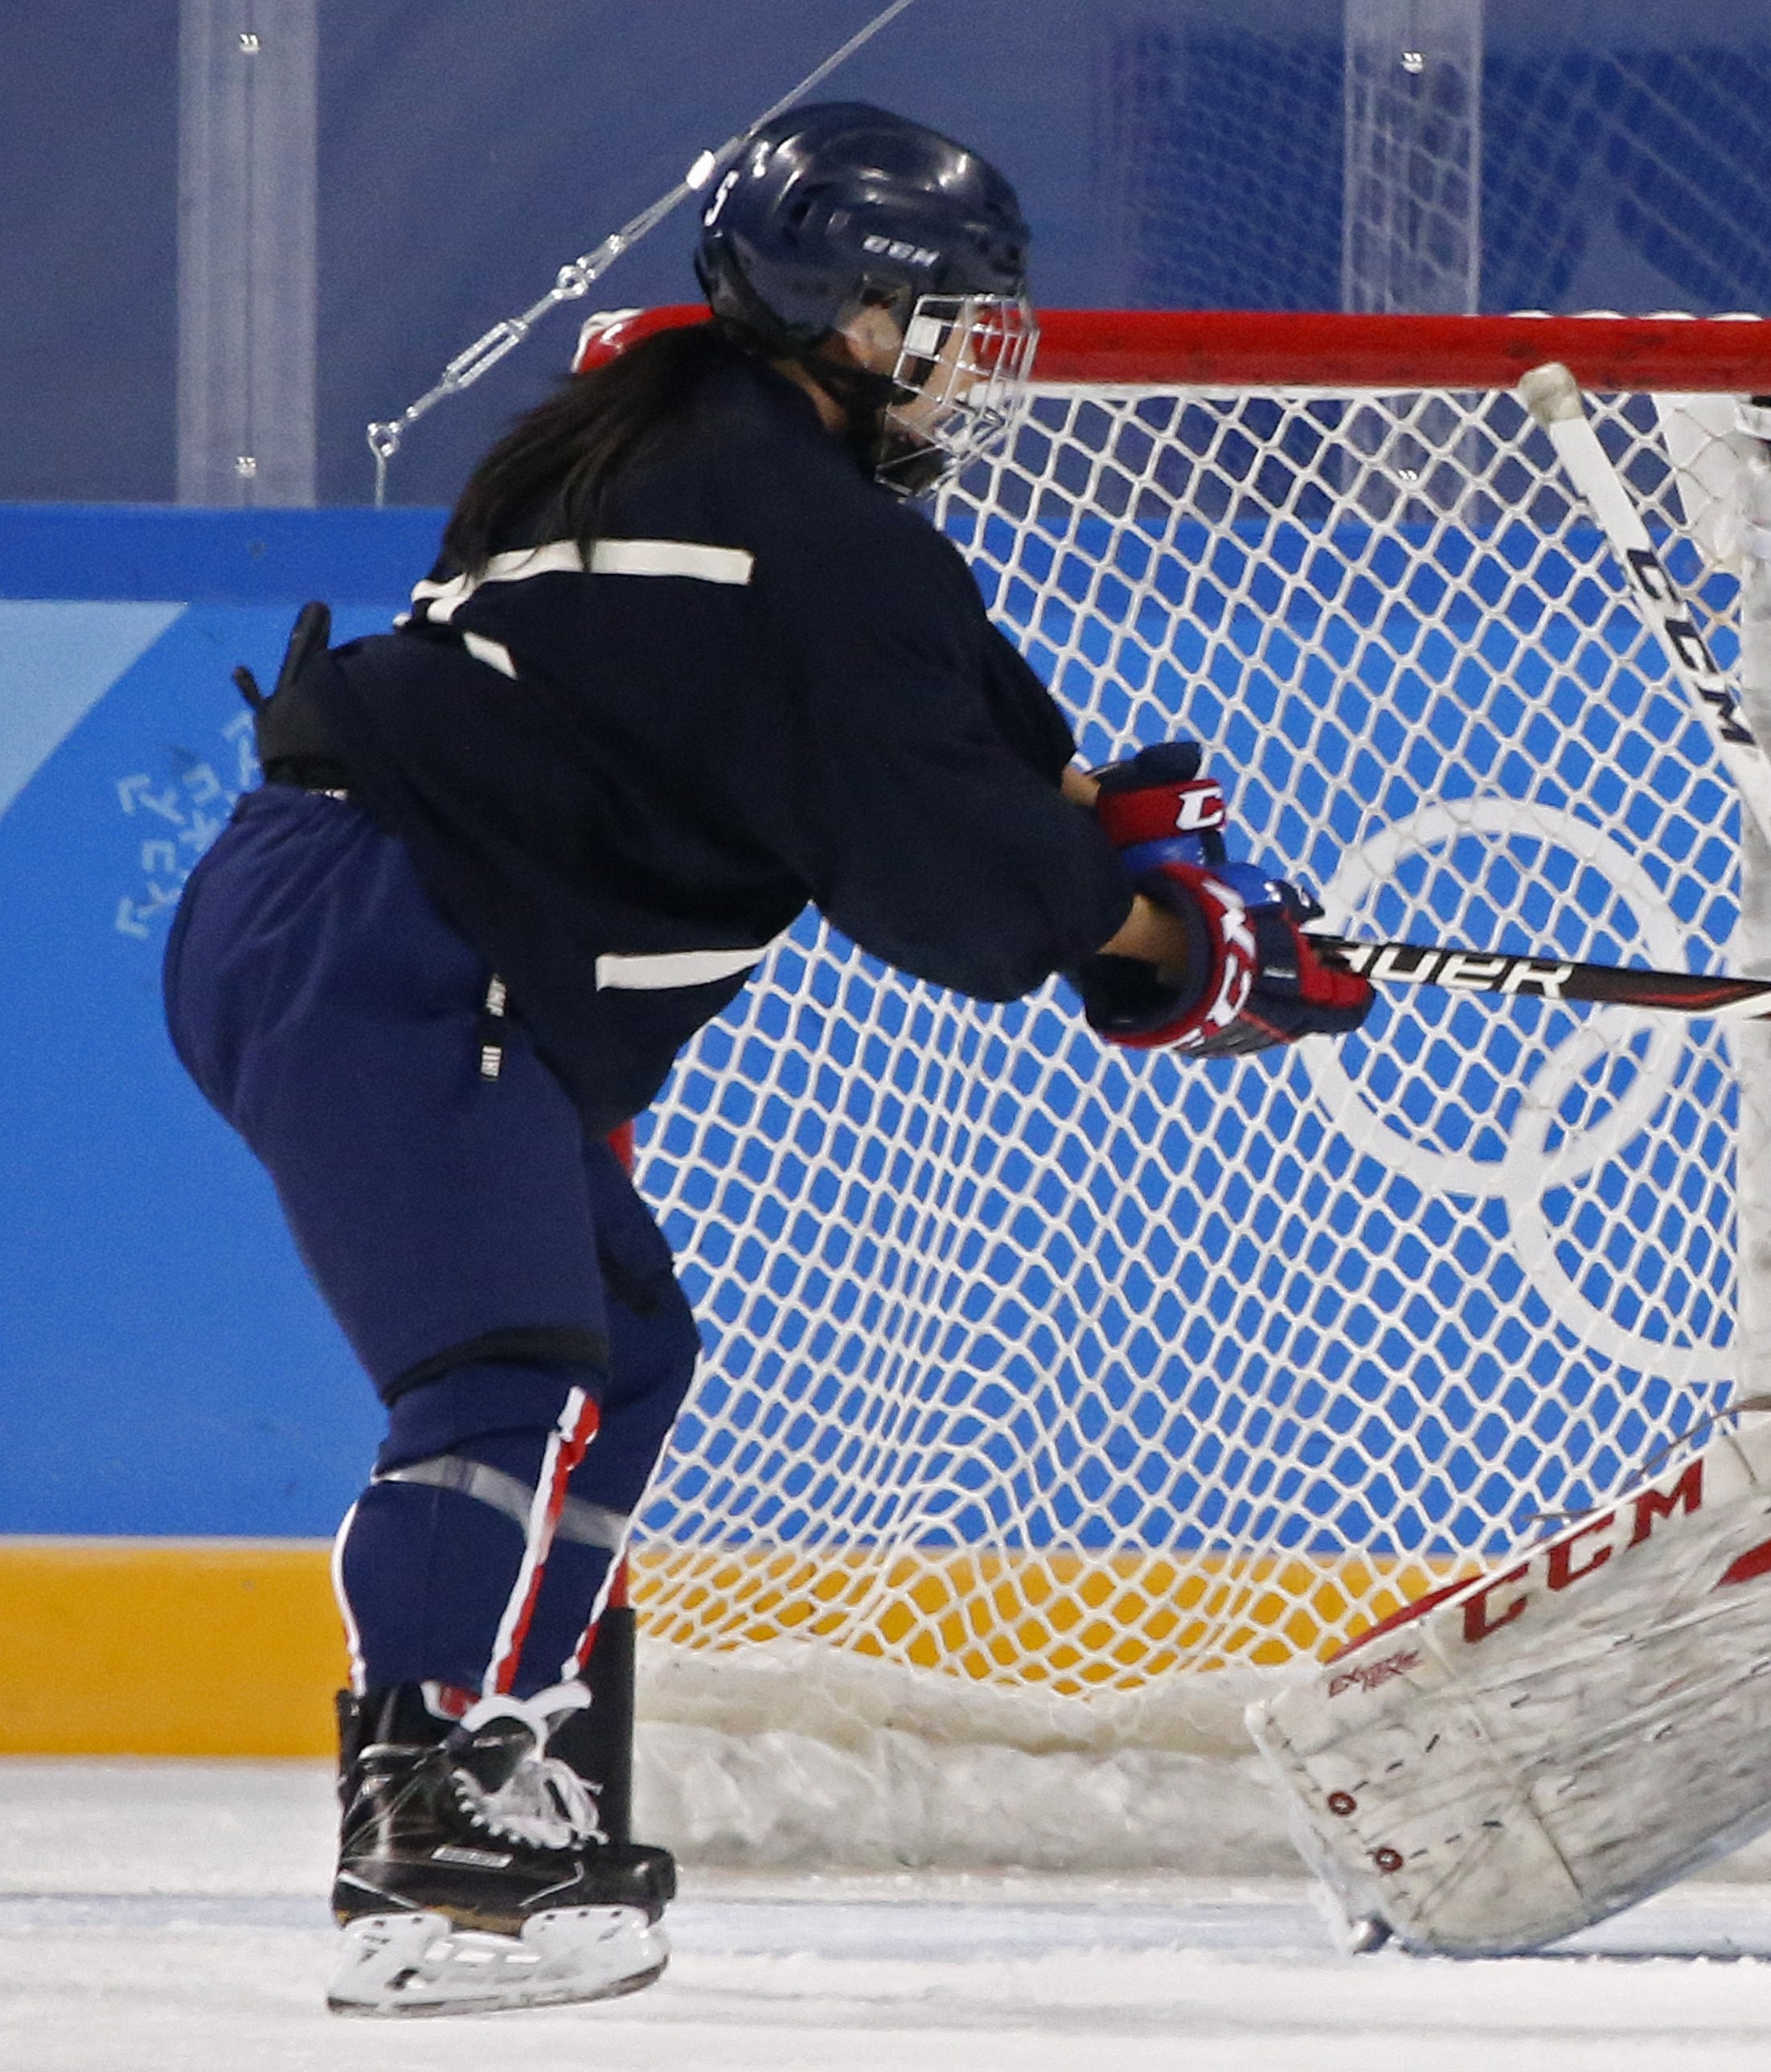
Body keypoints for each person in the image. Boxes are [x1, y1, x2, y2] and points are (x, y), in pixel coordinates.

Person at [162, 101, 1368, 2018]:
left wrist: (1130, 847)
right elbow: (955, 873)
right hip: (400, 940)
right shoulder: (784, 528)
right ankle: (428, 1801)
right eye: (940, 322)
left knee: (621, 1345)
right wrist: (1175, 939)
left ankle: (508, 1761)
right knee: (508, 1370)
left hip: (364, 921)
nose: (975, 365)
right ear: (833, 307)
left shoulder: (704, 452)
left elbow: (979, 766)